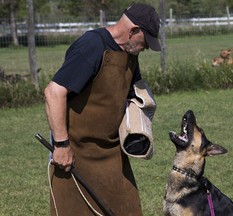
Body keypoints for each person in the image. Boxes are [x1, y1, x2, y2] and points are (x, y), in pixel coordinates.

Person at [44, 3, 161, 216]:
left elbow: (131, 96)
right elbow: (54, 93)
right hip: (76, 155)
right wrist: (61, 145)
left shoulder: (130, 53)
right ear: (133, 30)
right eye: (146, 41)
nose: (146, 47)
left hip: (113, 155)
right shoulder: (92, 45)